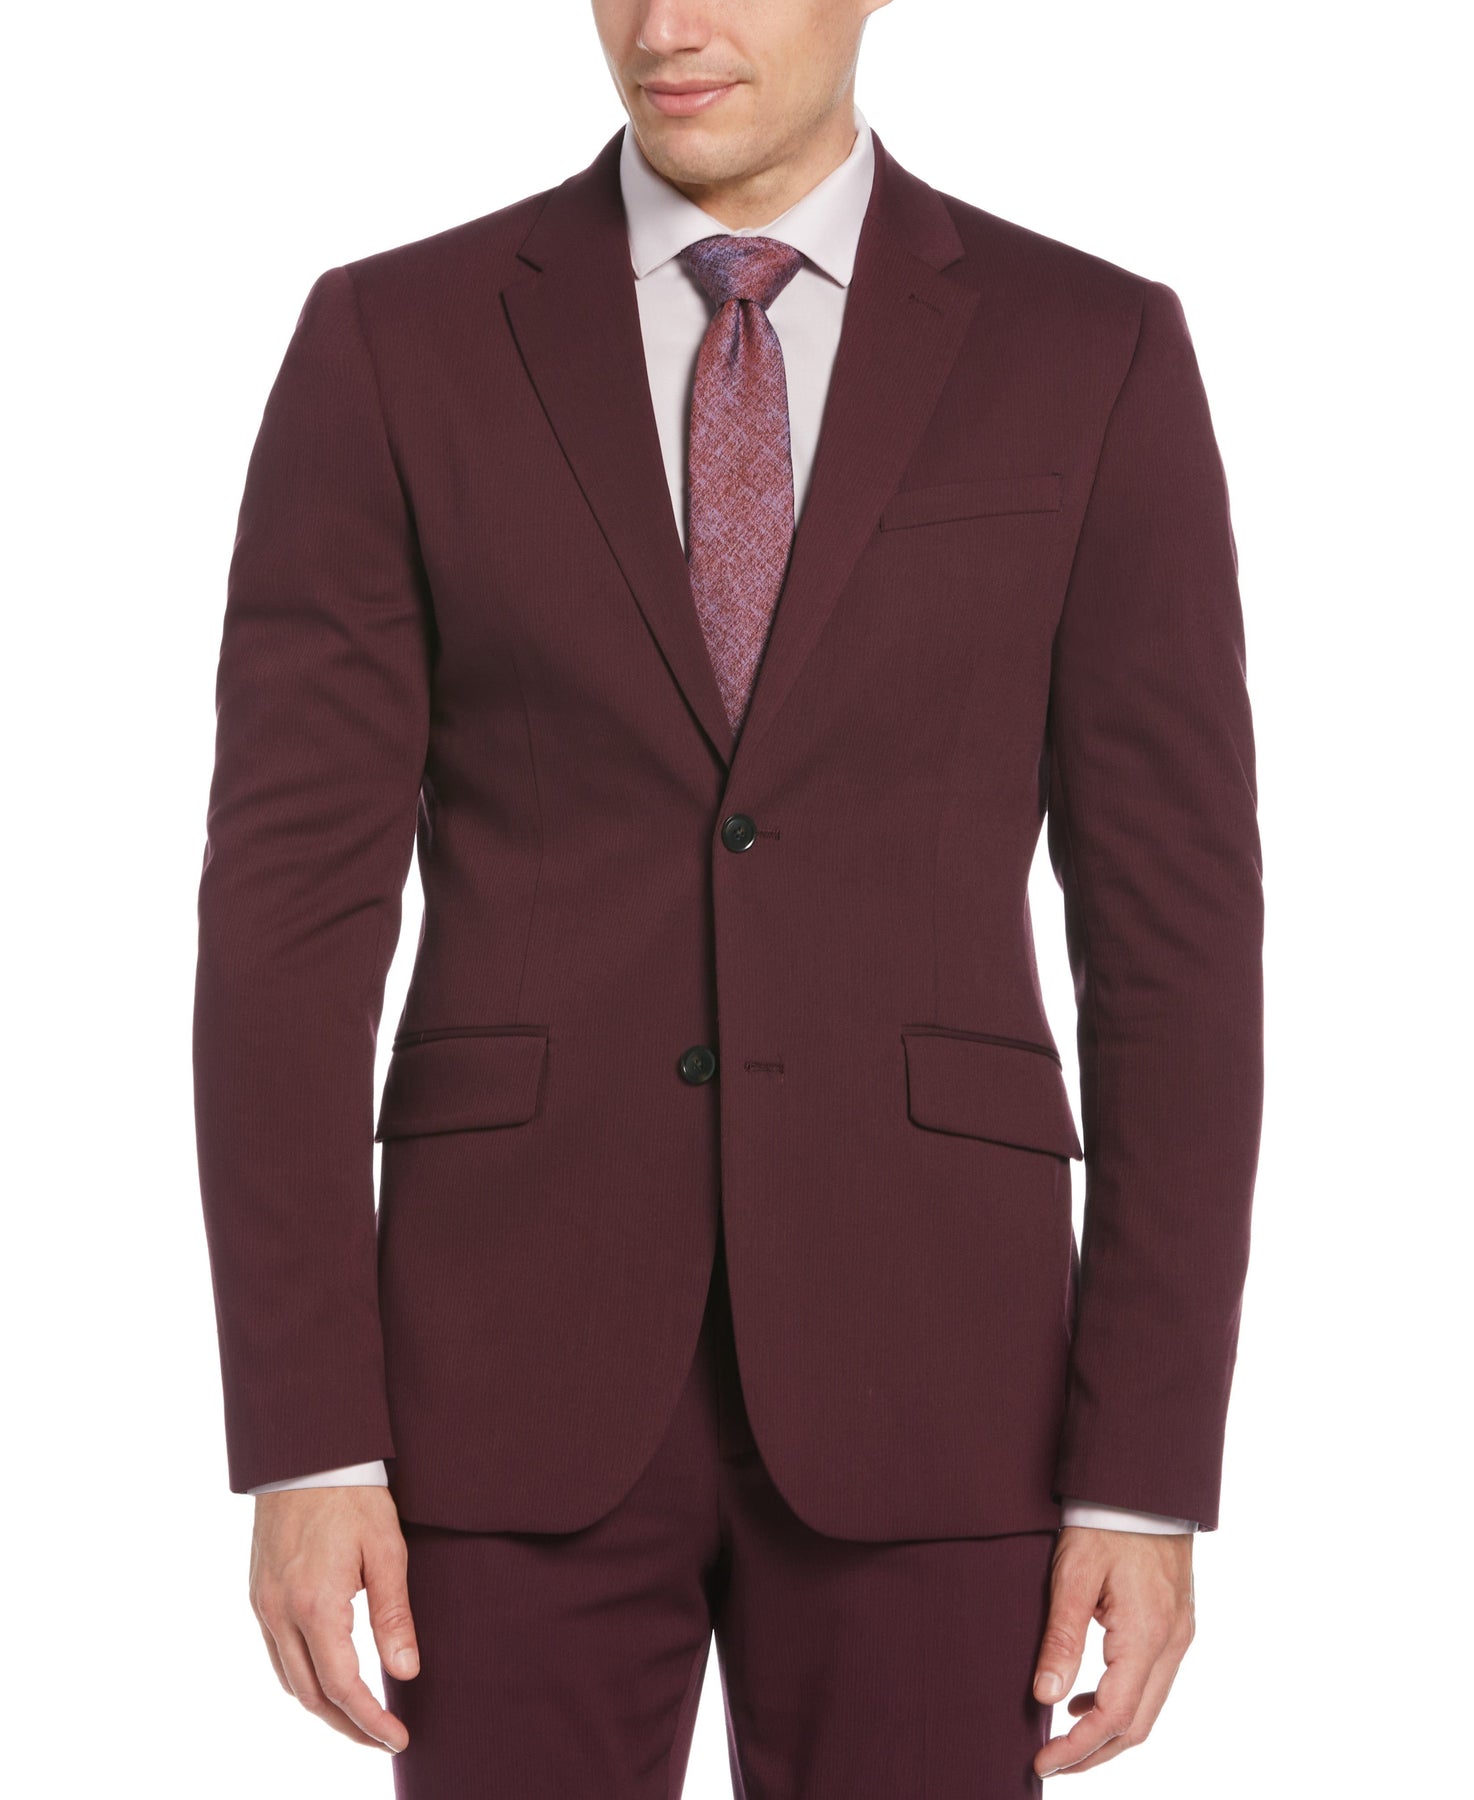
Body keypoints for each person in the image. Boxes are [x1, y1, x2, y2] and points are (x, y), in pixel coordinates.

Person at [192, 2, 1263, 1791]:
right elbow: (284, 922)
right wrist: (309, 1443)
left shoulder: (1091, 348)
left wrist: (1143, 1471)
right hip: (499, 1371)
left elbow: (1177, 943)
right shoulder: (394, 339)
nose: (664, 26)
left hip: (942, 1373)